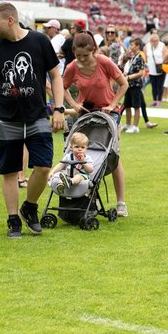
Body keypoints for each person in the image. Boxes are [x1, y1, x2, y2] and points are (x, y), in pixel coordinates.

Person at [0, 2, 66, 238]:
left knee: (43, 166)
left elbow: (55, 75)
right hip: (6, 118)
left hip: (37, 114)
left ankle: (29, 207)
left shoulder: (39, 41)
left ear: (10, 20)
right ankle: (13, 220)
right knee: (10, 171)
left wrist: (59, 108)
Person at [62, 32, 128, 214]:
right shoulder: (72, 67)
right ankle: (89, 199)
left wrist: (113, 104)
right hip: (86, 115)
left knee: (112, 157)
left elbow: (124, 84)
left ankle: (121, 202)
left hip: (108, 115)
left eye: (86, 55)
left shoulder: (104, 62)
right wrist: (74, 105)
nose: (82, 59)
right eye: (78, 55)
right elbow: (62, 86)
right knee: (85, 155)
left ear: (94, 50)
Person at [48, 131, 93, 196]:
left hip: (82, 175)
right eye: (77, 147)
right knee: (59, 174)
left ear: (86, 148)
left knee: (78, 177)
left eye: (82, 147)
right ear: (71, 147)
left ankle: (70, 182)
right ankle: (61, 185)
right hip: (68, 174)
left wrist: (83, 162)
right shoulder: (68, 156)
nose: (80, 149)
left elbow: (90, 170)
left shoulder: (87, 158)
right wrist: (52, 172)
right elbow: (61, 164)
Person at [122, 37, 146, 133]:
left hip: (135, 85)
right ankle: (128, 124)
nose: (130, 46)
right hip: (129, 84)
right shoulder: (133, 56)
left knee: (136, 106)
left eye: (132, 45)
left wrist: (128, 77)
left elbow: (140, 73)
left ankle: (135, 126)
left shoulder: (140, 56)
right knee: (127, 105)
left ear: (138, 46)